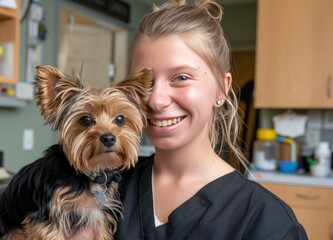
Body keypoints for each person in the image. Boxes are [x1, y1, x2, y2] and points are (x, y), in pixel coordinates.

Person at [115, 0, 308, 239]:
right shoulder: (104, 188)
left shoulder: (265, 222)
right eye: (145, 81)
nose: (156, 100)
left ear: (222, 88)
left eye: (181, 77)